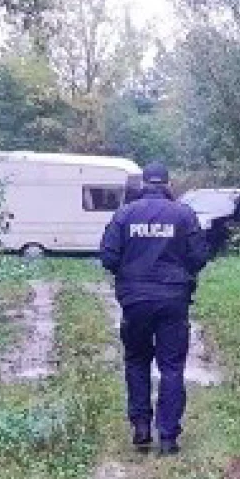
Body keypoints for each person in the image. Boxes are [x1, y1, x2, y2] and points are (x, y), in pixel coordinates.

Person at [100, 163, 210, 456]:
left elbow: (108, 257)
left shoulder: (125, 214)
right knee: (171, 367)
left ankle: (141, 428)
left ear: (144, 184)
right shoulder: (184, 214)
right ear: (168, 183)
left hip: (134, 301)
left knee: (136, 361)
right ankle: (169, 436)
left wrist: (130, 272)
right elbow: (200, 255)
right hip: (174, 299)